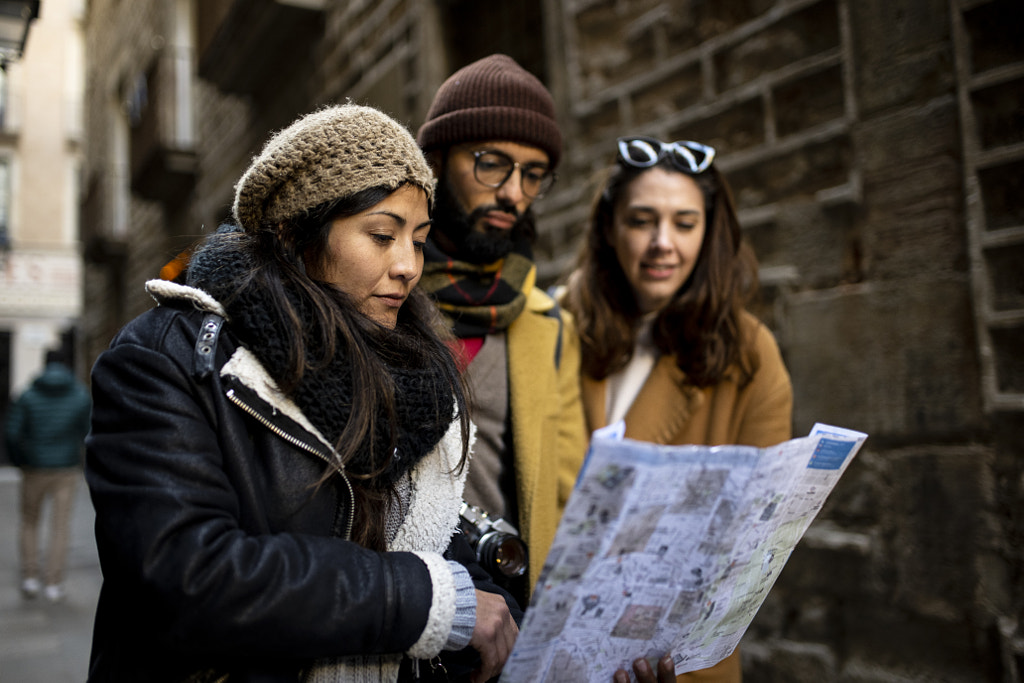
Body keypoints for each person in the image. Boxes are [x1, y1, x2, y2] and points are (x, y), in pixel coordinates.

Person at [84, 104, 520, 683]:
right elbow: (185, 575)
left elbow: (437, 545)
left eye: (418, 240)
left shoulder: (413, 372)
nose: (409, 266)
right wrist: (424, 602)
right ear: (294, 233)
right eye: (382, 235)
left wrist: (500, 614)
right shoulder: (168, 359)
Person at [562, 136, 794, 683]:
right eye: (642, 220)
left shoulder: (749, 352)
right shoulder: (557, 328)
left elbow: (758, 541)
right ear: (609, 228)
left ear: (710, 233)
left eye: (685, 224)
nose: (663, 243)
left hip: (676, 662)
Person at [415, 54, 588, 605]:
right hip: (397, 607)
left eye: (533, 174)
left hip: (511, 613)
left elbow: (566, 498)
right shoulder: (386, 292)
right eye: (491, 163)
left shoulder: (549, 326)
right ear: (438, 160)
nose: (513, 192)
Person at [5, 348, 91, 603]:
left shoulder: (28, 395)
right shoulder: (79, 395)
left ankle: (29, 577)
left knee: (29, 521)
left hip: (34, 468)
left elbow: (12, 433)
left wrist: (21, 460)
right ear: (66, 364)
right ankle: (54, 583)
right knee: (60, 526)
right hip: (65, 468)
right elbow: (88, 432)